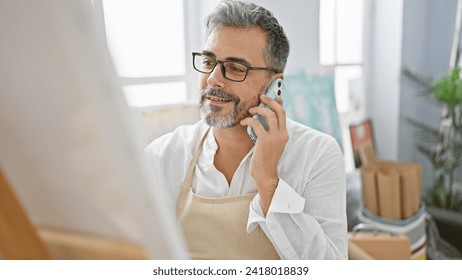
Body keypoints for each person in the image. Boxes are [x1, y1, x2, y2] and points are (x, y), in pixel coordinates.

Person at [146, 0, 347, 260]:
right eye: (209, 62)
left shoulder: (318, 155)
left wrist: (268, 182)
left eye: (235, 68)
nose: (213, 79)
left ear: (274, 84)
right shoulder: (162, 156)